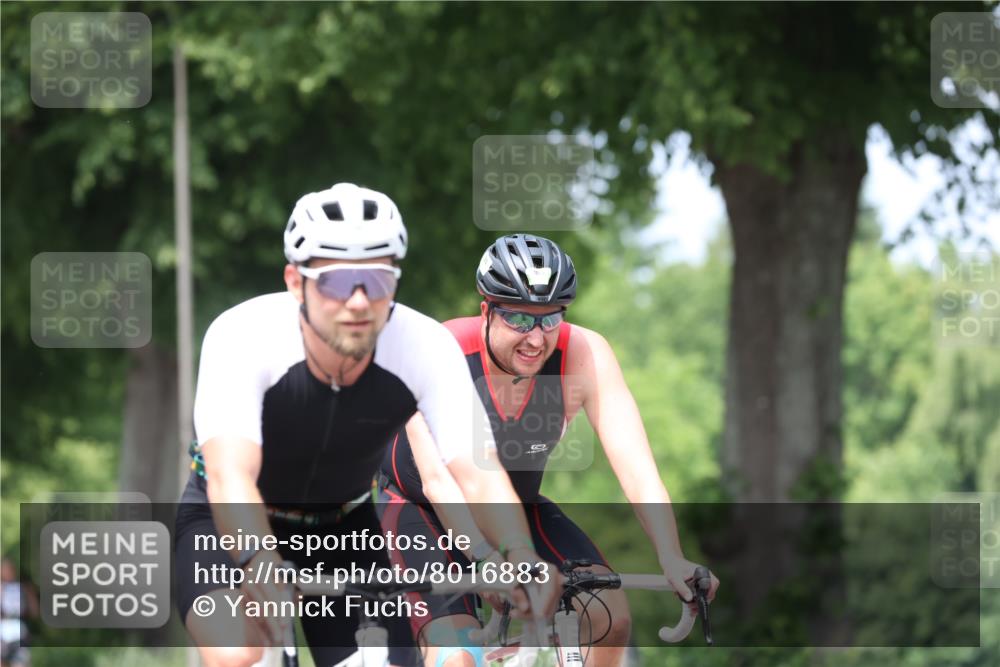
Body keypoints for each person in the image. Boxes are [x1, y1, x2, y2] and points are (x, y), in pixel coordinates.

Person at [175, 186, 558, 667]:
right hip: (225, 523)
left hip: (343, 531)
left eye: (377, 281)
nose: (358, 301)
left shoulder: (423, 345)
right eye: (336, 282)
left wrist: (519, 552)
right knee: (240, 654)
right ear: (296, 282)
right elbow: (232, 476)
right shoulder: (243, 335)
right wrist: (256, 560)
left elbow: (477, 472)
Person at [380, 234, 720, 667]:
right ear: (486, 310)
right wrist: (485, 558)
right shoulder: (441, 349)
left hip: (517, 508)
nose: (536, 338)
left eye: (550, 318)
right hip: (419, 507)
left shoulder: (584, 354)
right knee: (459, 657)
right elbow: (438, 480)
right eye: (519, 318)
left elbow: (637, 468)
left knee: (608, 617)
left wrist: (670, 555)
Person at [1, 558, 37, 667]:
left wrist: (30, 595)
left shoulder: (23, 588)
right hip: (2, 634)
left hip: (19, 632)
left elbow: (34, 612)